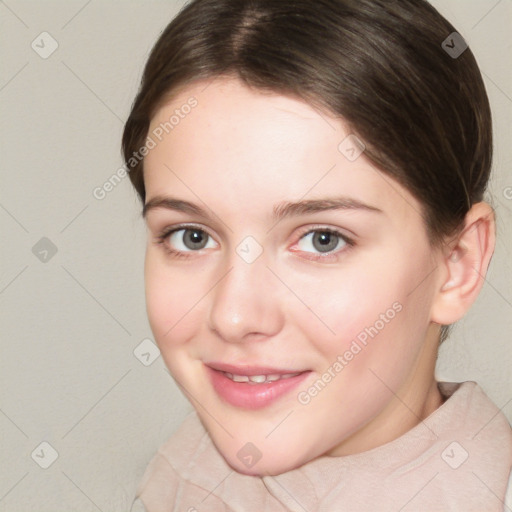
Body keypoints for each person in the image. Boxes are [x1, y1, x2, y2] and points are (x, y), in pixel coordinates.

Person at [122, 0, 512, 509]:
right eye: (191, 236)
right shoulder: (174, 481)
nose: (234, 316)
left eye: (322, 239)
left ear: (456, 266)